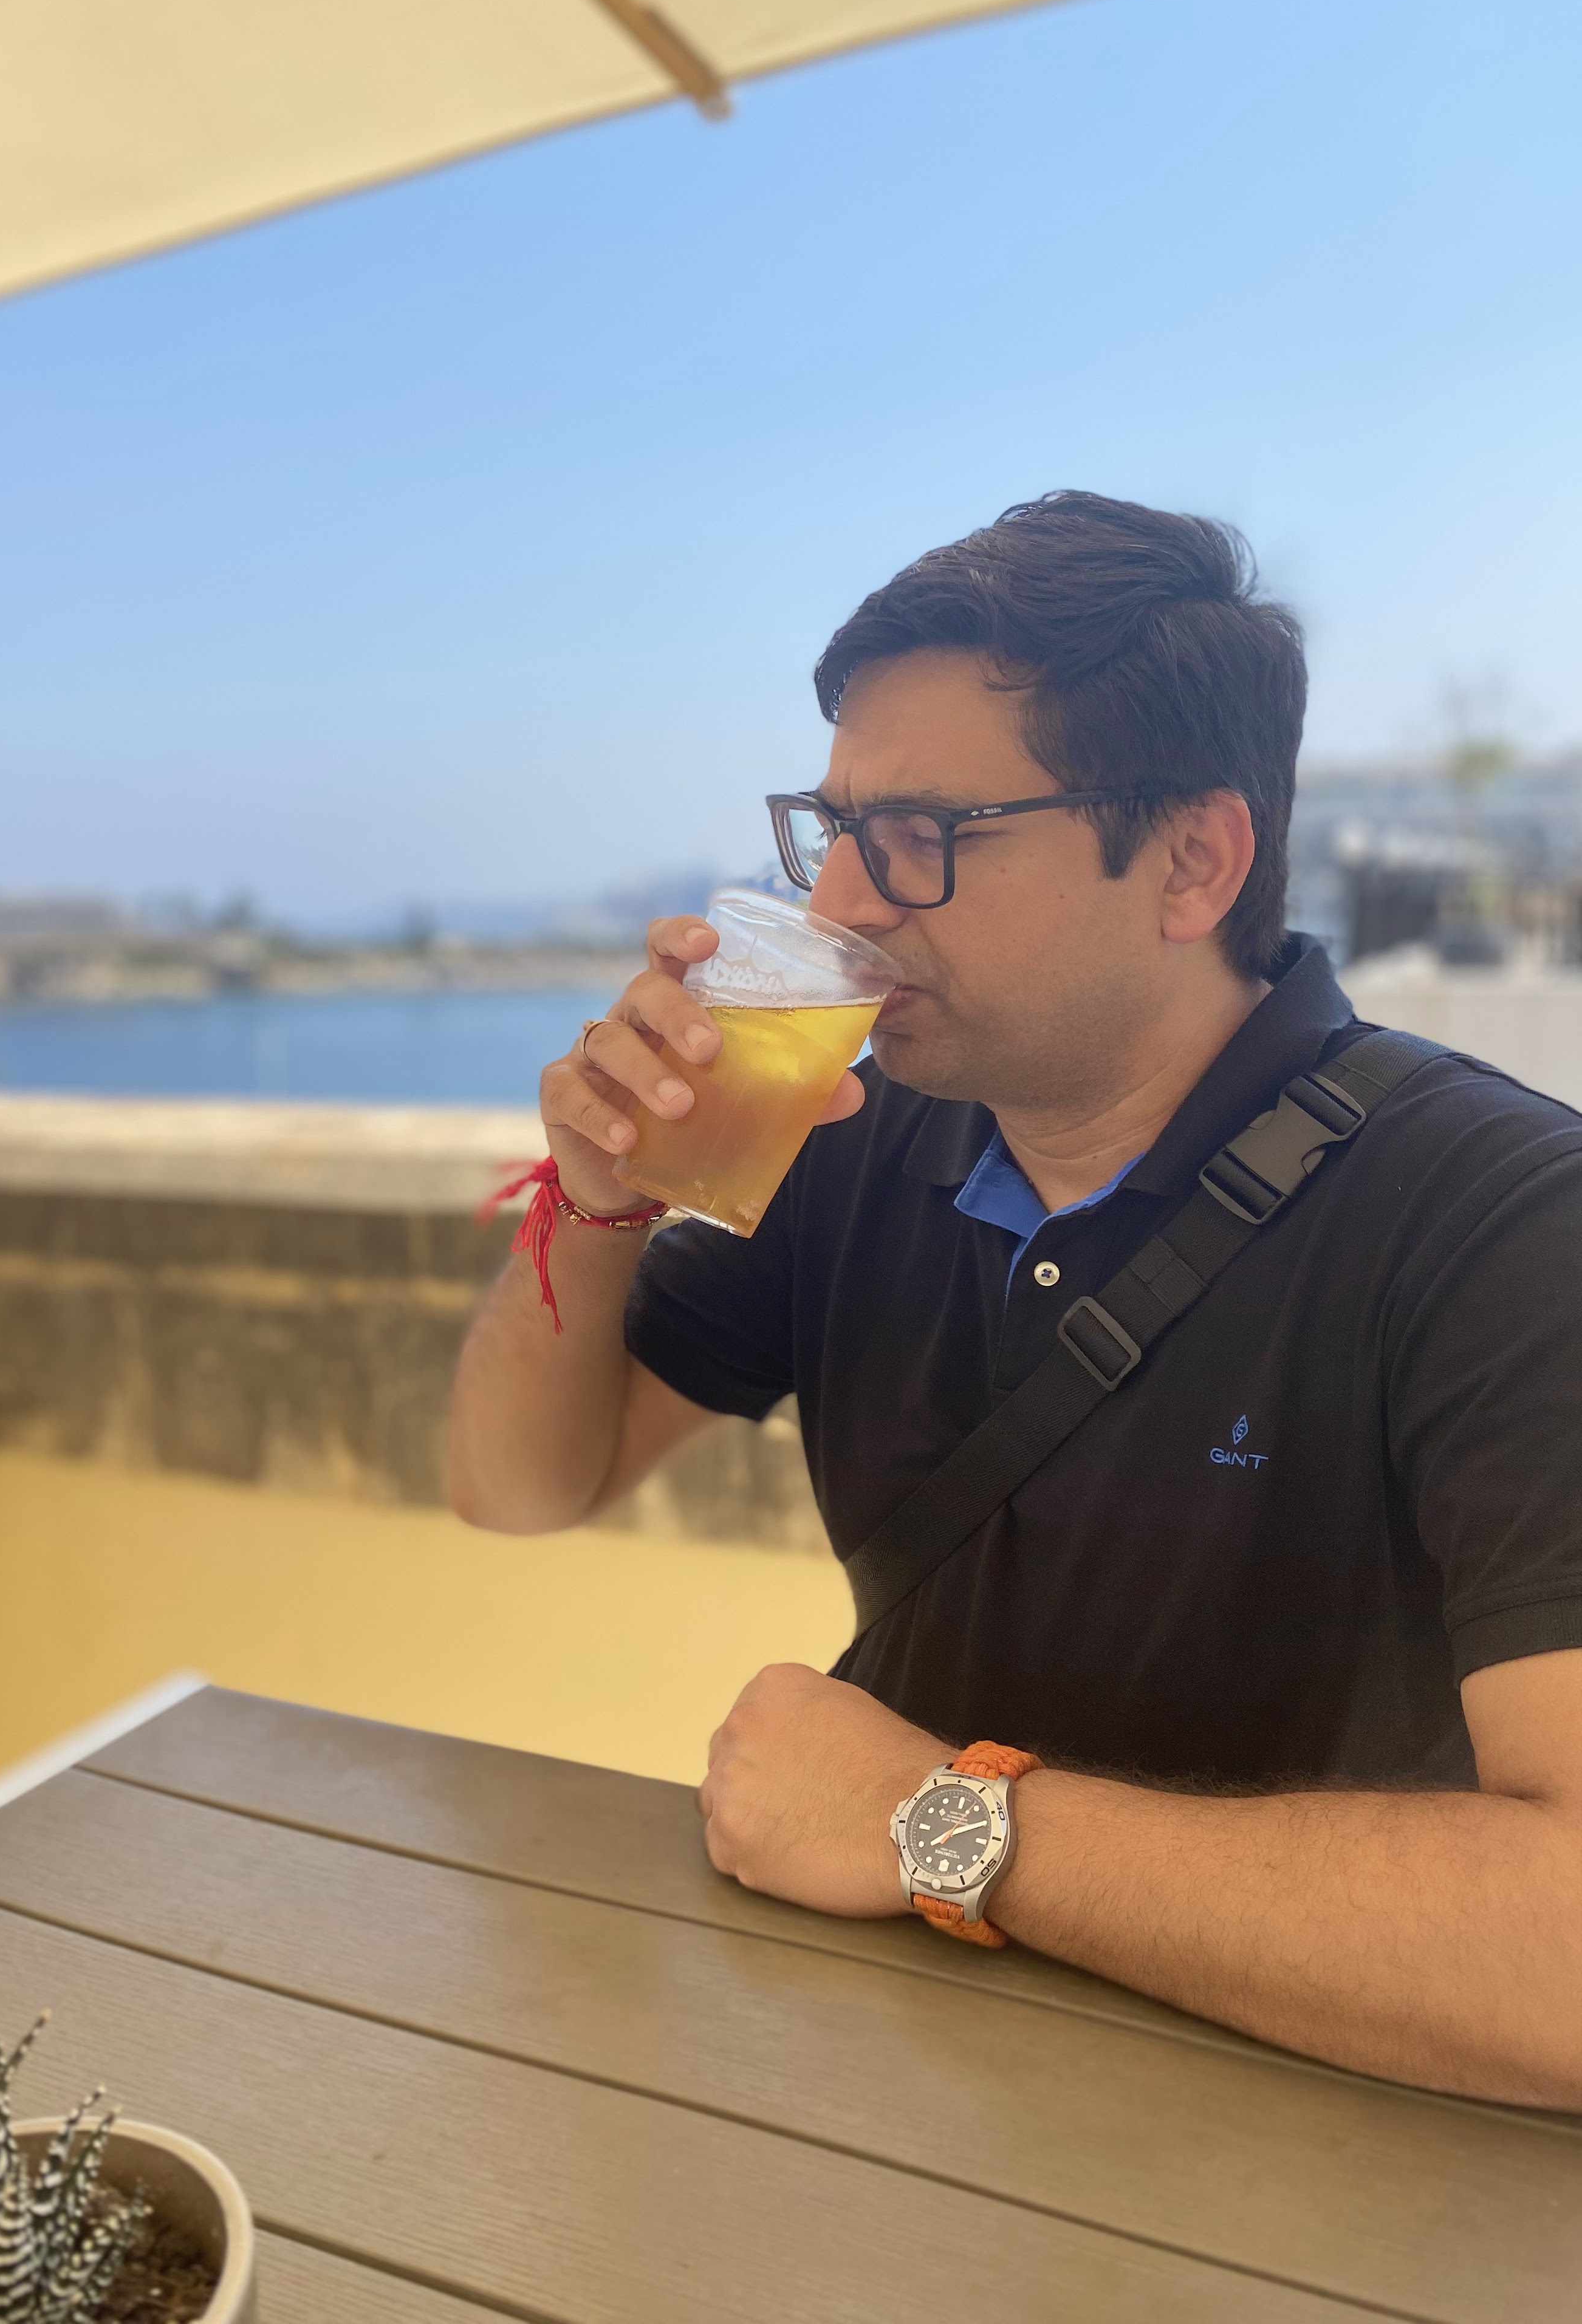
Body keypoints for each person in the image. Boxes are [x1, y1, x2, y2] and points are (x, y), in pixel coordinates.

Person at [446, 491, 1582, 2107]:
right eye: (834, 829)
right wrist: (597, 1200)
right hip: (899, 2087)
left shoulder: (1502, 1223)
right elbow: (520, 1484)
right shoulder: (854, 1143)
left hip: (1316, 2139)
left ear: (1192, 861)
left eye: (922, 836)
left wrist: (940, 1820)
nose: (840, 906)